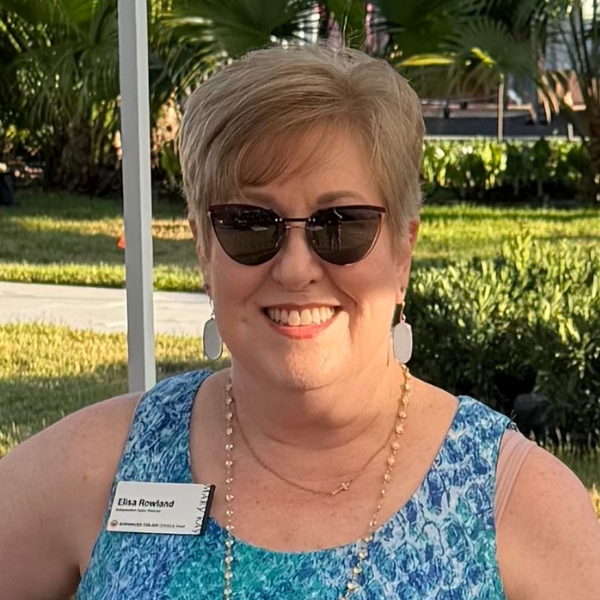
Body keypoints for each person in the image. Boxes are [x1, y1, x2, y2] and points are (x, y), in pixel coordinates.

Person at [1, 43, 599, 600]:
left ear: (402, 252)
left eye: (340, 225)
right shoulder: (103, 463)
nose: (294, 268)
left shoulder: (517, 504)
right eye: (248, 224)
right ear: (204, 252)